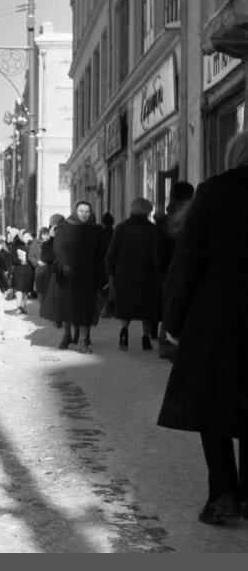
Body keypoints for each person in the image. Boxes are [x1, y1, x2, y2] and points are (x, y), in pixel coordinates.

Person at [157, 131, 248, 525]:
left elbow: (187, 261)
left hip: (219, 319)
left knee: (213, 407)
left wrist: (172, 321)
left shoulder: (214, 193)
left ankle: (224, 496)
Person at [105, 198, 161, 352]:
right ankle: (145, 337)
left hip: (124, 275)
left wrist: (111, 270)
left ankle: (124, 332)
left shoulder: (121, 228)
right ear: (147, 213)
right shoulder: (152, 230)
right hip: (147, 276)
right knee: (147, 309)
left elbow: (112, 252)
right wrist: (158, 271)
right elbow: (157, 254)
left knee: (126, 307)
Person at [54, 200, 105, 353]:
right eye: (81, 211)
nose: (84, 214)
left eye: (87, 211)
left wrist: (101, 272)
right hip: (69, 273)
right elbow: (58, 247)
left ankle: (82, 340)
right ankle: (67, 334)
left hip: (88, 274)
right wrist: (63, 264)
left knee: (86, 308)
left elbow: (101, 252)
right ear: (76, 211)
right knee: (68, 306)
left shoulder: (95, 229)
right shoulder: (64, 227)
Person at [153, 181, 195, 360]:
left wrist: (159, 269)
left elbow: (157, 249)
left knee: (172, 305)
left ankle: (169, 341)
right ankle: (172, 343)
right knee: (182, 304)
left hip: (169, 270)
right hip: (181, 268)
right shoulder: (193, 216)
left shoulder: (164, 221)